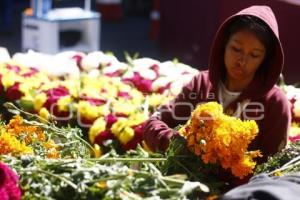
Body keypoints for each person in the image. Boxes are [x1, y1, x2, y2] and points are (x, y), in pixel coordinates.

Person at [143, 5, 291, 163]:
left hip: (244, 187)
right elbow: (154, 122)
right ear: (224, 45)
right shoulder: (200, 85)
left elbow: (272, 166)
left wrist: (230, 162)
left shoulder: (275, 103)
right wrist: (179, 143)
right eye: (236, 49)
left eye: (254, 55)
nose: (242, 61)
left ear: (265, 59)